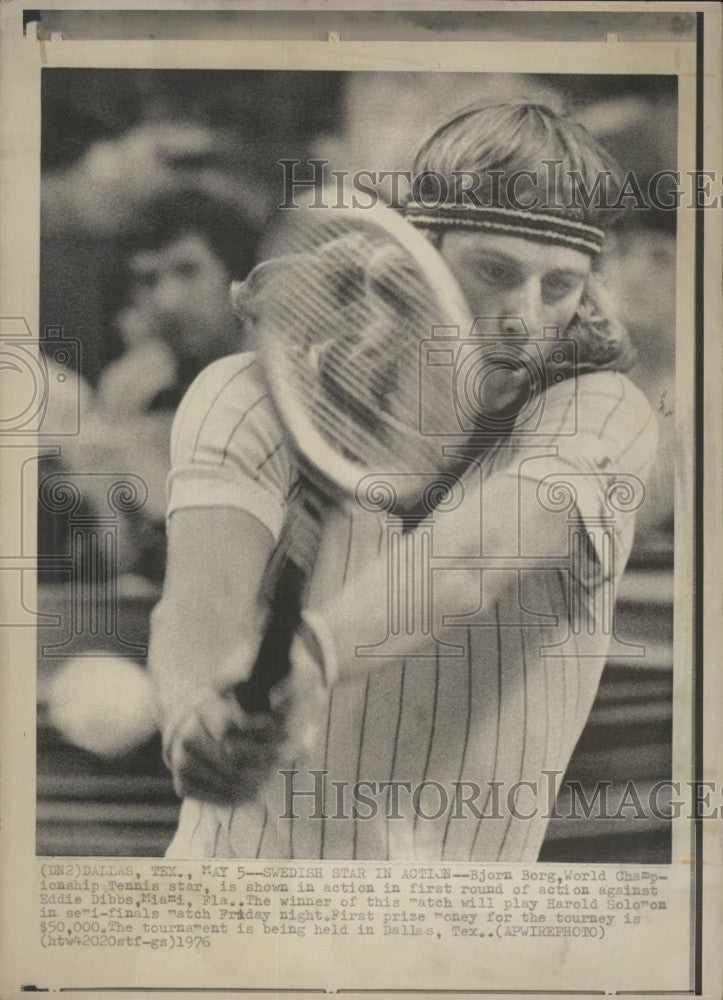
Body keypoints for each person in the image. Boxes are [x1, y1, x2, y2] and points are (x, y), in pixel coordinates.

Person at [149, 102, 659, 860]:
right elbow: (200, 600)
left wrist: (316, 654)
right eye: (493, 271)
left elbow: (472, 559)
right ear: (415, 257)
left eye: (558, 287)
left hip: (448, 954)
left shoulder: (605, 415)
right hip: (227, 917)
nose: (523, 316)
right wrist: (193, 715)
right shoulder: (249, 392)